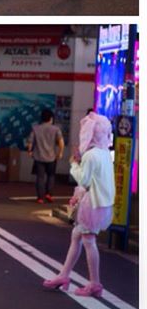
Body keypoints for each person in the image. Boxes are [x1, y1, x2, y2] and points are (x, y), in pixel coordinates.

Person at [43, 113, 115, 297]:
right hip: (103, 204)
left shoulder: (91, 155)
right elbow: (96, 181)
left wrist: (74, 164)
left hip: (93, 204)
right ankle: (64, 275)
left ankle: (95, 284)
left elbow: (83, 178)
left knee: (88, 241)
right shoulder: (105, 152)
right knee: (77, 236)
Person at [27, 108, 64, 203]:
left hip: (38, 157)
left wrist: (30, 151)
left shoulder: (35, 128)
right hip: (51, 157)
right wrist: (60, 153)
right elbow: (61, 142)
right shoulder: (56, 129)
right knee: (51, 176)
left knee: (40, 177)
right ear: (51, 118)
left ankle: (40, 197)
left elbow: (30, 141)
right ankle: (49, 194)